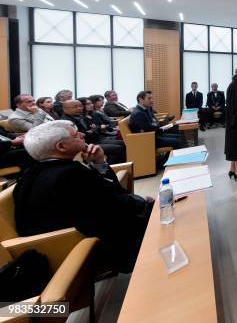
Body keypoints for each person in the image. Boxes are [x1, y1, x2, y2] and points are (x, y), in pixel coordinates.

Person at [13, 120, 154, 273]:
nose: (82, 134)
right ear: (61, 147)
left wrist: (98, 163)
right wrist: (144, 202)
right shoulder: (71, 174)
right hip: (84, 245)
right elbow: (115, 203)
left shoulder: (29, 174)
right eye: (75, 135)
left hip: (58, 243)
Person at [62, 99, 126, 164]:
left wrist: (93, 130)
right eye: (75, 107)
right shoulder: (66, 122)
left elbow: (95, 127)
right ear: (65, 109)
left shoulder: (81, 116)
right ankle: (109, 169)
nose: (79, 108)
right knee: (118, 149)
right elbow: (78, 136)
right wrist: (91, 131)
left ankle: (121, 166)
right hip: (86, 143)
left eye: (80, 106)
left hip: (95, 139)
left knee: (124, 143)